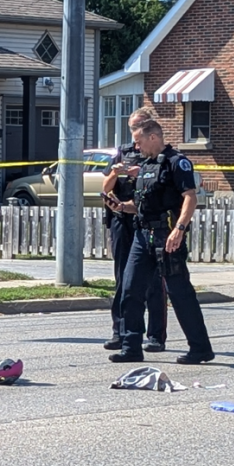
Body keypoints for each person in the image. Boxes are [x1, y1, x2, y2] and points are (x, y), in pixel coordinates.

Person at [103, 120, 215, 365]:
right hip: (142, 235)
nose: (136, 145)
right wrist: (122, 207)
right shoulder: (145, 165)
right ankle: (131, 346)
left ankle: (200, 348)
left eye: (139, 140)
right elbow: (141, 204)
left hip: (167, 237)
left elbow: (190, 198)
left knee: (179, 293)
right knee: (130, 289)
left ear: (153, 137)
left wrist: (179, 229)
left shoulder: (177, 162)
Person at [101, 107, 168, 353]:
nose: (133, 133)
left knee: (152, 279)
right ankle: (121, 331)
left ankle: (156, 336)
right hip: (121, 218)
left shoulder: (157, 153)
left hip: (147, 219)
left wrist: (139, 173)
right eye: (131, 128)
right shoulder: (123, 151)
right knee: (123, 277)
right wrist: (117, 173)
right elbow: (106, 184)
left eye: (138, 126)